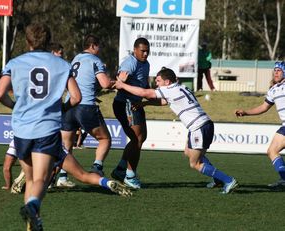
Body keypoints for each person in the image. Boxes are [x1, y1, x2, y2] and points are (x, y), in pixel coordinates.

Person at [0, 23, 131, 231]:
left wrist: (14, 106)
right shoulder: (61, 64)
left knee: (30, 179)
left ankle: (33, 225)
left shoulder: (15, 62)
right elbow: (76, 97)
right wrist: (63, 108)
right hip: (47, 128)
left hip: (22, 128)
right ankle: (33, 206)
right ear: (49, 41)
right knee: (41, 178)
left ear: (27, 41)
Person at [115, 67, 238, 194]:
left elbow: (144, 92)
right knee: (188, 152)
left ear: (167, 82)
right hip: (202, 124)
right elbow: (164, 101)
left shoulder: (169, 89)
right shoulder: (180, 88)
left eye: (158, 81)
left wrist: (122, 85)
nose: (156, 84)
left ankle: (228, 180)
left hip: (198, 127)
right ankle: (217, 179)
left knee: (194, 163)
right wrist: (145, 104)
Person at [60, 34, 115, 183]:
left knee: (66, 145)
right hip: (85, 105)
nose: (100, 50)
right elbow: (105, 83)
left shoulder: (75, 58)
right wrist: (116, 82)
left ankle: (62, 177)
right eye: (99, 46)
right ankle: (97, 168)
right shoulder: (95, 60)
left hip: (69, 105)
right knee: (105, 139)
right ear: (93, 46)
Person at [235, 61, 285, 188]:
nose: (276, 72)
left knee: (272, 150)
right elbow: (264, 107)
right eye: (275, 70)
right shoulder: (273, 90)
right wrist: (246, 112)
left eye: (279, 70)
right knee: (272, 151)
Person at [111, 37, 150, 189]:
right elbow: (119, 82)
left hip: (136, 104)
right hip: (125, 104)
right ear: (135, 50)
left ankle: (121, 170)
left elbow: (144, 85)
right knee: (136, 139)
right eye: (142, 51)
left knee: (141, 138)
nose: (145, 54)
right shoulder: (130, 62)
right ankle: (130, 175)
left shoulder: (145, 64)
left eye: (147, 51)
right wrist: (122, 81)